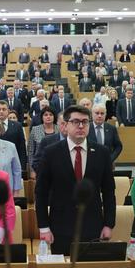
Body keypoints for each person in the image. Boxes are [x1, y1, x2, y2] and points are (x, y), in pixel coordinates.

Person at [35, 105, 116, 255]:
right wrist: (44, 227)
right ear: (65, 125)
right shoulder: (51, 152)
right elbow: (40, 193)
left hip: (93, 226)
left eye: (85, 122)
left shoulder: (102, 153)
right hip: (60, 227)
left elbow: (109, 191)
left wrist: (109, 224)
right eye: (76, 121)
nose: (81, 126)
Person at [0, 100, 27, 170]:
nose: (1, 111)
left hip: (13, 164)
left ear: (8, 111)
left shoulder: (17, 126)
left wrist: (22, 167)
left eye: (4, 109)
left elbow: (22, 148)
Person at [28, 107, 59, 179]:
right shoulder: (35, 129)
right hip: (40, 166)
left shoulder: (59, 129)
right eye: (46, 115)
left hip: (57, 165)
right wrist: (32, 170)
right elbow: (31, 151)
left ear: (54, 117)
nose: (48, 116)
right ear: (42, 117)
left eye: (51, 115)